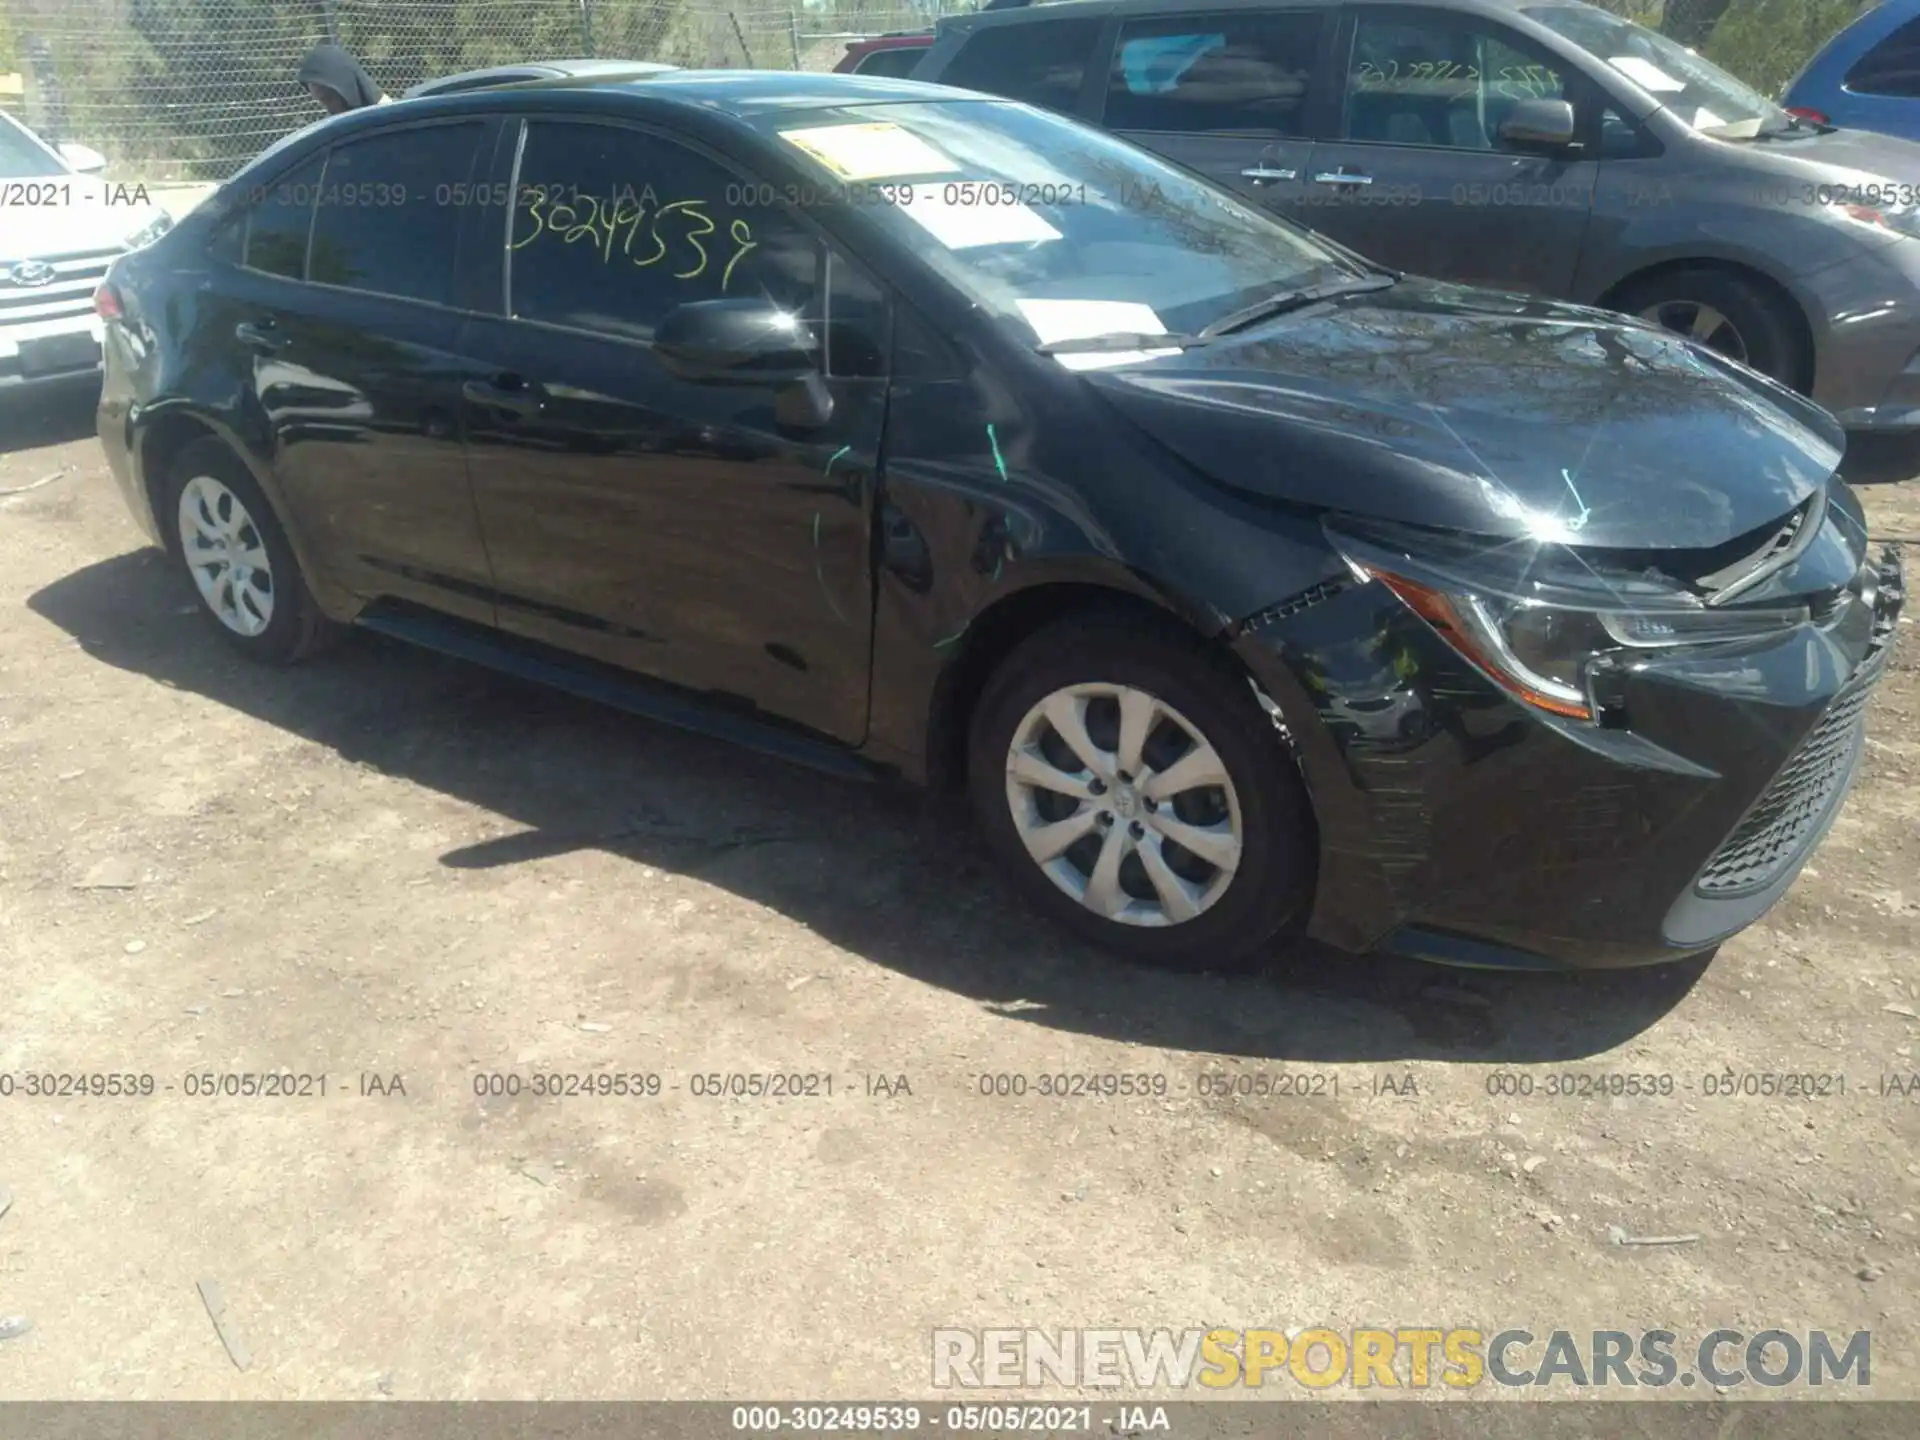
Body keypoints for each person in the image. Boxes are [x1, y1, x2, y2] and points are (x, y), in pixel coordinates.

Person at [297, 43, 388, 115]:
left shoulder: (390, 117)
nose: (327, 107)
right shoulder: (333, 127)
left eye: (329, 98)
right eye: (322, 101)